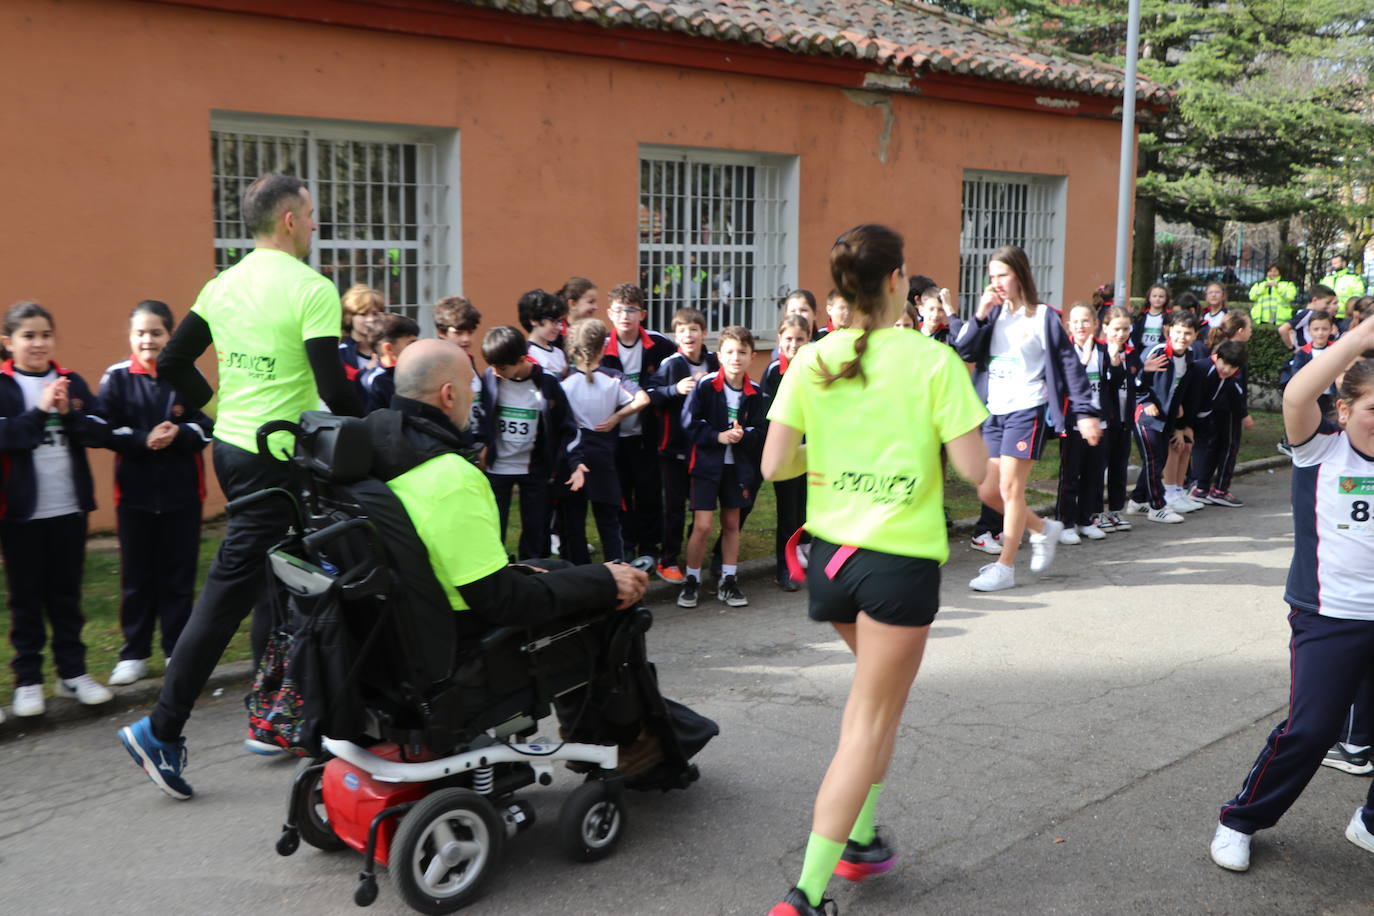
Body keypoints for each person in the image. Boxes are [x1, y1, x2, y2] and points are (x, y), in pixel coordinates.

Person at [762, 224, 988, 916]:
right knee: (866, 721)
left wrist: (825, 457)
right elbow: (977, 473)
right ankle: (803, 894)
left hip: (830, 565)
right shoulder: (931, 361)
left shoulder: (813, 360)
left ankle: (861, 839)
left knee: (880, 705)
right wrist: (1015, 502)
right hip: (896, 565)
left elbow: (774, 464)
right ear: (898, 281)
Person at [119, 173, 363, 799]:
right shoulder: (311, 288)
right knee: (235, 589)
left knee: (282, 579)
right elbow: (334, 390)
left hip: (232, 449)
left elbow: (170, 362)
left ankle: (281, 717)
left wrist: (217, 409)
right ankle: (161, 728)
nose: (313, 225)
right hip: (279, 460)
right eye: (310, 216)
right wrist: (383, 420)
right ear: (288, 220)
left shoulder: (221, 284)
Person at [1208, 314, 1374, 873]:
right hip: (1328, 616)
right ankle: (1239, 819)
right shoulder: (1321, 449)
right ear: (1346, 410)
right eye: (1373, 409)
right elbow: (1297, 392)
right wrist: (1357, 338)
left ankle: (1369, 822)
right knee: (1312, 729)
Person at [955, 245, 1100, 592]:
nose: (996, 282)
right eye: (991, 277)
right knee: (987, 490)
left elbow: (1069, 365)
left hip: (1027, 409)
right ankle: (1042, 528)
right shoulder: (991, 314)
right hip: (994, 410)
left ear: (1019, 274)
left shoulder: (1044, 317)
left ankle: (1005, 567)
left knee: (1009, 487)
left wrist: (1084, 413)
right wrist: (978, 315)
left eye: (1002, 275)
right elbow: (965, 350)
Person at [0, 301, 114, 720]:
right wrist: (41, 409)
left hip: (68, 507)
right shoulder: (4, 385)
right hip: (21, 513)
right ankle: (28, 680)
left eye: (45, 335)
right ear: (8, 343)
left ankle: (73, 673)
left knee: (66, 596)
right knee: (26, 599)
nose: (38, 343)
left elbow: (101, 431)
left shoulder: (71, 381)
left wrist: (69, 413)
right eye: (28, 336)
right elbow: (8, 436)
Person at [99, 300, 214, 687]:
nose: (147, 340)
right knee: (136, 578)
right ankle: (133, 653)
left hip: (183, 495)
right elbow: (102, 429)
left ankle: (175, 650)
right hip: (134, 497)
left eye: (156, 332)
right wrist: (141, 438)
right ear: (131, 336)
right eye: (140, 333)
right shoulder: (115, 377)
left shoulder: (186, 374)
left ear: (169, 335)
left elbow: (208, 427)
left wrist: (179, 434)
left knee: (178, 576)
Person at [676, 326, 765, 610]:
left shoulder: (756, 392)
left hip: (736, 469)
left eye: (742, 352)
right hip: (706, 466)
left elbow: (761, 430)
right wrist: (717, 436)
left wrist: (744, 435)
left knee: (731, 524)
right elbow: (689, 422)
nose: (736, 358)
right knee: (702, 526)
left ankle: (728, 579)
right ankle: (691, 579)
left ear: (752, 356)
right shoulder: (705, 385)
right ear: (719, 355)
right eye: (729, 352)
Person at [477, 325, 583, 561]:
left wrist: (574, 462)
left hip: (534, 468)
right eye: (492, 366)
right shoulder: (491, 378)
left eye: (502, 367)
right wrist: (482, 448)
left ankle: (533, 570)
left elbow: (567, 425)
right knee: (493, 527)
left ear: (522, 358)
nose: (496, 372)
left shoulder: (547, 383)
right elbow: (481, 417)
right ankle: (497, 570)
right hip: (497, 467)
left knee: (536, 529)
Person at [558, 318, 647, 565]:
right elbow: (642, 399)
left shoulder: (563, 383)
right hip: (603, 457)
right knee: (608, 520)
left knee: (574, 523)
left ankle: (578, 573)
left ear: (572, 348)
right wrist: (616, 417)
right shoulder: (613, 379)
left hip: (573, 458)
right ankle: (617, 571)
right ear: (603, 348)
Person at [599, 283, 676, 563]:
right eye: (619, 310)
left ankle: (649, 547)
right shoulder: (602, 347)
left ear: (642, 314)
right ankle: (626, 544)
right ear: (610, 313)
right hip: (613, 433)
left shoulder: (660, 345)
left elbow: (681, 364)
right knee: (620, 492)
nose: (625, 316)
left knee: (649, 492)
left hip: (648, 433)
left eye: (631, 309)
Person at [644, 307, 717, 584]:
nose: (689, 335)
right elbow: (651, 393)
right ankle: (668, 560)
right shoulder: (671, 364)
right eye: (683, 330)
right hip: (673, 449)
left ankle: (693, 554)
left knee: (700, 506)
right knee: (673, 506)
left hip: (704, 448)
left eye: (694, 329)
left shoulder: (713, 362)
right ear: (676, 336)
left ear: (704, 334)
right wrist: (676, 389)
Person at [1126, 314, 1198, 523]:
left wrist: (1179, 423)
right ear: (1169, 331)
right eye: (1178, 332)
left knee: (1158, 460)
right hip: (1145, 416)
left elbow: (1180, 391)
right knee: (1154, 459)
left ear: (1194, 336)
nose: (1182, 337)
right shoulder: (1157, 353)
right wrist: (1146, 403)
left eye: (1187, 333)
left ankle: (1138, 500)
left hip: (1167, 417)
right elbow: (1136, 383)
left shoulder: (1189, 357)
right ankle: (1157, 506)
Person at [1054, 304, 1109, 544]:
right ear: (1068, 325)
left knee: (1093, 474)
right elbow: (1062, 384)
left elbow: (1113, 383)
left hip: (1099, 424)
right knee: (1070, 475)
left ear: (1095, 324)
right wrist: (1083, 362)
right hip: (1072, 424)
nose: (1080, 326)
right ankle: (1065, 522)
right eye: (1075, 322)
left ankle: (1086, 519)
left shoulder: (1105, 351)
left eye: (1085, 321)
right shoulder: (1063, 351)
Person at [763, 315, 810, 591]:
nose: (793, 344)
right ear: (780, 340)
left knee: (806, 509)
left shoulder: (814, 370)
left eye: (800, 339)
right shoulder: (773, 372)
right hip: (785, 453)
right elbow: (767, 415)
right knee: (788, 512)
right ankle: (785, 567)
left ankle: (805, 560)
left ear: (808, 340)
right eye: (788, 339)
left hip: (810, 450)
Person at [1185, 340, 1249, 508]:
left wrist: (1244, 414)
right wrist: (1186, 425)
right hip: (1188, 418)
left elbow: (1235, 395)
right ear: (1217, 357)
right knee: (1183, 450)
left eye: (1233, 367)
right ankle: (1185, 489)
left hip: (1204, 417)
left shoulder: (1226, 377)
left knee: (1202, 449)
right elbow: (1191, 398)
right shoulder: (1202, 369)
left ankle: (1199, 488)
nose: (1227, 370)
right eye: (1225, 364)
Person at [1094, 306, 1138, 533]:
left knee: (1119, 466)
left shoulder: (1130, 352)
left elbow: (1134, 382)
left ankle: (1115, 510)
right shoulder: (1100, 353)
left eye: (1125, 329)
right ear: (1104, 328)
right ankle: (1097, 512)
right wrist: (1112, 359)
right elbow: (1108, 383)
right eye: (1116, 329)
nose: (1121, 334)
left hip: (1124, 419)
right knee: (1099, 467)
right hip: (1106, 419)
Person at [359, 313, 419, 413]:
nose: (416, 347)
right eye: (410, 343)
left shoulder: (415, 374)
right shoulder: (375, 381)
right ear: (389, 348)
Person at [519, 289, 570, 379]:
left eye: (560, 321)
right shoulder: (528, 354)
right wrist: (561, 375)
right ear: (534, 320)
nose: (560, 327)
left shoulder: (559, 353)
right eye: (553, 321)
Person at [338, 283, 384, 371]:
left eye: (375, 313)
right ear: (349, 317)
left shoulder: (388, 349)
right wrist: (366, 371)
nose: (370, 319)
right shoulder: (341, 353)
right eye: (363, 314)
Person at [1278, 285, 1339, 351]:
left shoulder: (1311, 313)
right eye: (1327, 303)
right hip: (1307, 353)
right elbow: (1283, 329)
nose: (1328, 306)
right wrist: (1292, 348)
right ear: (1315, 300)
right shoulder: (1306, 314)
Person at [1320, 253, 1367, 321]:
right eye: (1332, 263)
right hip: (1327, 315)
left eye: (1336, 263)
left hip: (1345, 317)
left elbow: (1357, 297)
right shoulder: (1327, 278)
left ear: (1344, 263)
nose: (1333, 265)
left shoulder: (1354, 278)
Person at [1131, 284, 1171, 352]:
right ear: (1149, 298)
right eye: (1154, 296)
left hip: (1160, 350)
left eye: (1161, 296)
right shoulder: (1141, 316)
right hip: (1142, 350)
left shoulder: (1169, 317)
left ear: (1166, 299)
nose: (1157, 299)